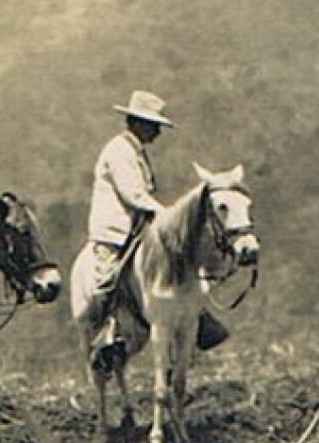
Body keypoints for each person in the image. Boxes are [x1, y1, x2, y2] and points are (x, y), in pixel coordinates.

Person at [80, 89, 228, 371]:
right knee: (107, 280)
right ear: (136, 123)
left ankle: (196, 317)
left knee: (180, 260)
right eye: (153, 125)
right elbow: (133, 195)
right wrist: (166, 215)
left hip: (139, 225)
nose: (157, 132)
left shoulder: (136, 152)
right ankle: (108, 331)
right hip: (115, 230)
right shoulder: (119, 151)